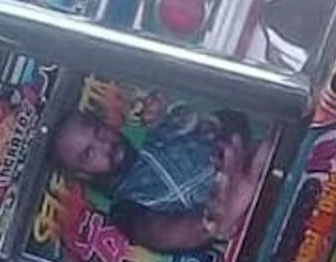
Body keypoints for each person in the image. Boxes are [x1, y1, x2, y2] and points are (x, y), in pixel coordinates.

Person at [50, 105, 261, 254]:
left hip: (264, 171)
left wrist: (221, 130)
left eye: (97, 131)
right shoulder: (125, 209)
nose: (105, 145)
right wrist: (216, 216)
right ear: (82, 173)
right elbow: (161, 233)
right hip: (249, 229)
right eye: (89, 154)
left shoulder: (162, 130)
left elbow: (234, 117)